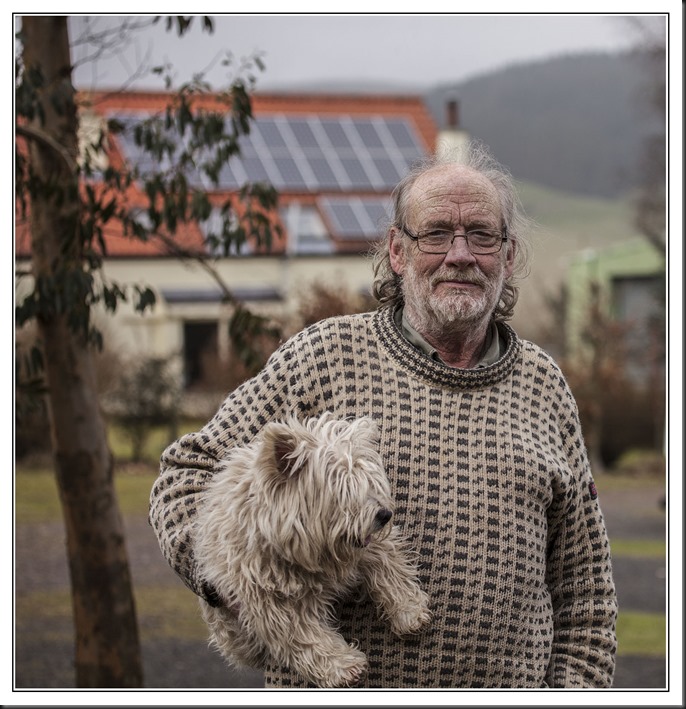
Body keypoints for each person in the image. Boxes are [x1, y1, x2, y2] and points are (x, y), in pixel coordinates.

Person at [149, 141, 618, 688]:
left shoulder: (545, 387)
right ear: (397, 251)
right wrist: (225, 580)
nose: (460, 254)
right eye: (436, 234)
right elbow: (186, 474)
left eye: (482, 235)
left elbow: (585, 592)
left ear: (508, 255)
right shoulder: (322, 357)